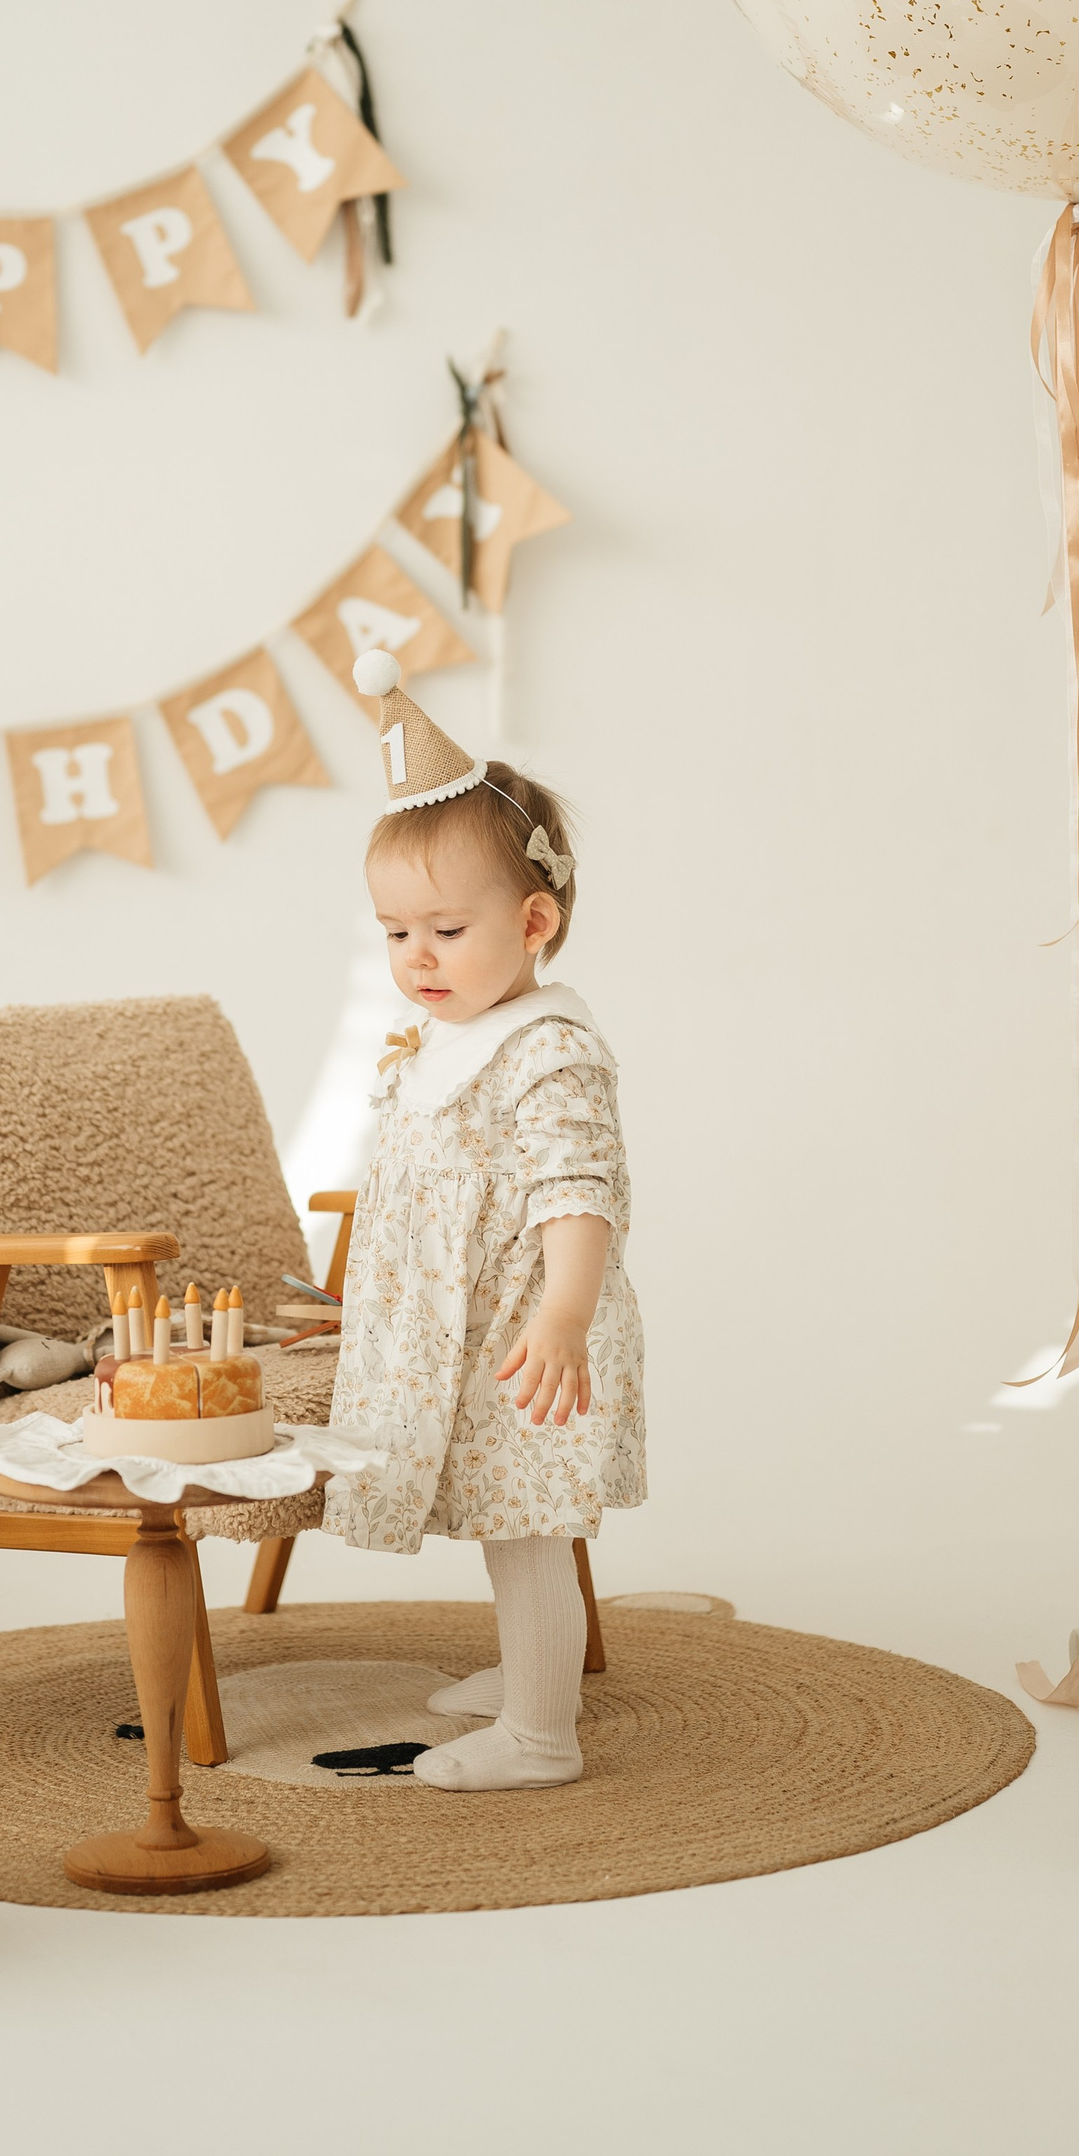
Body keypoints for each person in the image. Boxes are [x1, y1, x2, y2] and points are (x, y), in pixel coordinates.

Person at [322, 651, 644, 1790]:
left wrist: (564, 1316)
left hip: (527, 1333)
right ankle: (529, 1673)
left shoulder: (546, 1046)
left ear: (534, 920)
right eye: (394, 932)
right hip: (464, 1334)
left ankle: (541, 1735)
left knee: (528, 1528)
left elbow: (577, 1189)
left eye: (447, 931)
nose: (416, 958)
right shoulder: (448, 1038)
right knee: (503, 1515)